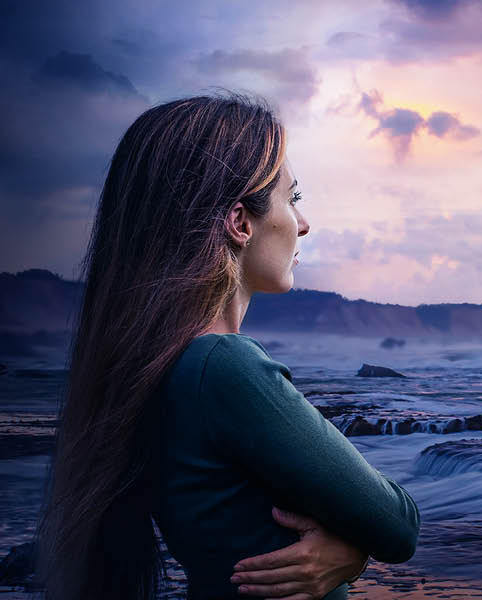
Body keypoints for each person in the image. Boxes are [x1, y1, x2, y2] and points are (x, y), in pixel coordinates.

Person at [31, 93, 420, 599]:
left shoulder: (160, 365)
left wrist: (350, 552)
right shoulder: (223, 367)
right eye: (293, 197)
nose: (303, 223)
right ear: (240, 223)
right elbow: (399, 523)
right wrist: (355, 551)